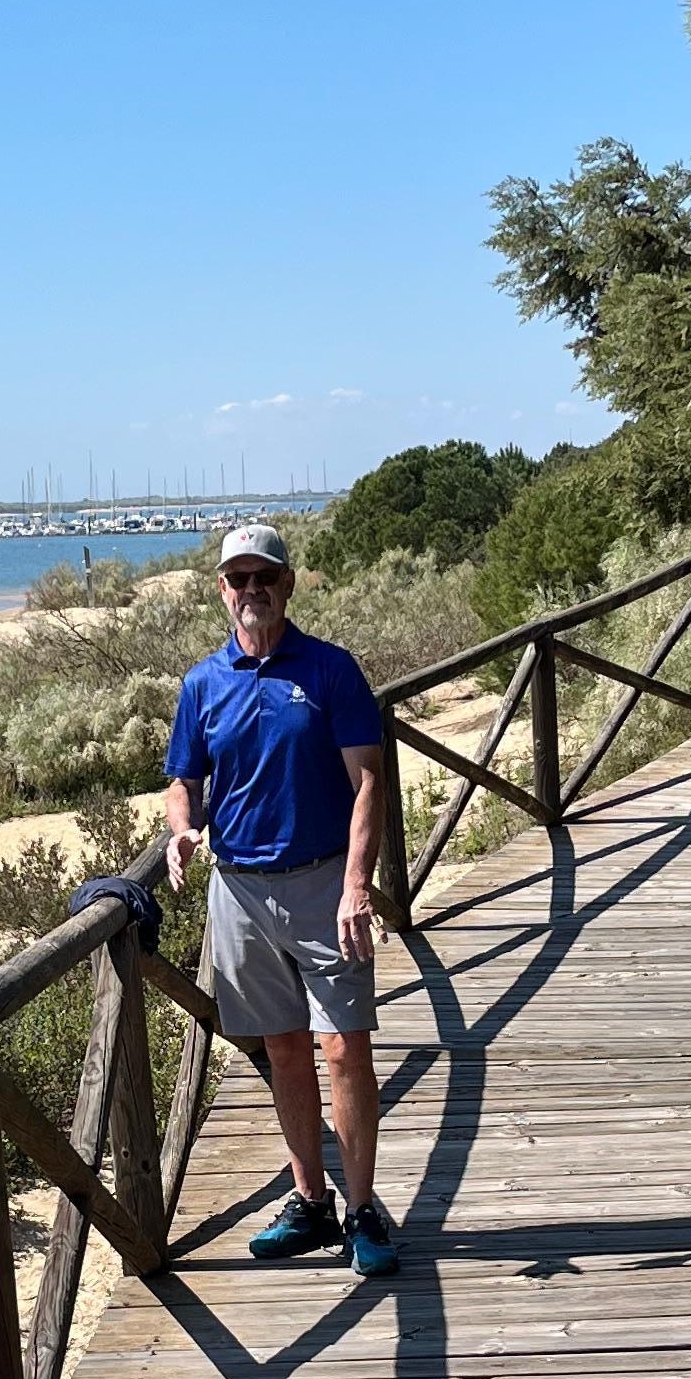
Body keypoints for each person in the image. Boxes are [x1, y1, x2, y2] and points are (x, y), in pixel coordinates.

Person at [163, 523, 402, 1277]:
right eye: (238, 579)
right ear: (222, 591)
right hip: (238, 889)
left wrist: (357, 884)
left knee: (345, 1048)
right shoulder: (203, 683)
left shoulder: (331, 671)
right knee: (283, 1050)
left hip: (324, 884)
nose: (251, 590)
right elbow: (183, 780)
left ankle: (363, 1208)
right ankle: (311, 1201)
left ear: (289, 584)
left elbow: (369, 779)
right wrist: (179, 832)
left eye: (264, 576)